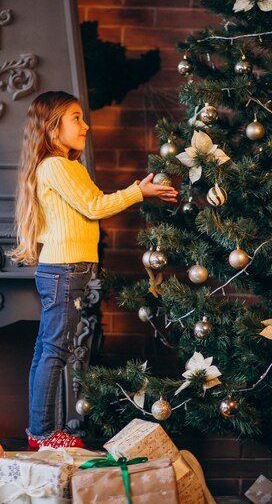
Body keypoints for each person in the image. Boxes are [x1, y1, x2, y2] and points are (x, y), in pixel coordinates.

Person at [11, 90, 178, 449]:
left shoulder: (68, 166)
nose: (85, 125)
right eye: (76, 118)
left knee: (49, 349)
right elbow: (94, 206)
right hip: (64, 269)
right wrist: (139, 191)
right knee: (54, 351)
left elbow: (89, 205)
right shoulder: (55, 166)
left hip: (68, 269)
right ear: (52, 128)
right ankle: (42, 434)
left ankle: (41, 432)